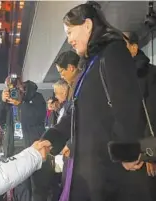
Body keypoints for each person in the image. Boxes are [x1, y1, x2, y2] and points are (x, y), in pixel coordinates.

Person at [42, 2, 152, 201]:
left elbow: (127, 105)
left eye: (69, 32)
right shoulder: (90, 64)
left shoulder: (113, 53)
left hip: (107, 172)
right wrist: (53, 137)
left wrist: (126, 153)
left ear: (87, 25)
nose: (69, 40)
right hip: (89, 168)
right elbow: (75, 113)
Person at [0, 75, 49, 201]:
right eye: (10, 88)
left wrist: (21, 104)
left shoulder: (36, 97)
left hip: (33, 147)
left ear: (22, 85)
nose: (14, 91)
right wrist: (1, 101)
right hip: (14, 149)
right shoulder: (7, 102)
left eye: (16, 87)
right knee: (21, 187)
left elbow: (38, 117)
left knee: (37, 186)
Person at [123, 31, 156, 177]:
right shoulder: (116, 77)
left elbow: (152, 114)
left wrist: (150, 153)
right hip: (122, 154)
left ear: (134, 48)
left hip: (143, 155)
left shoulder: (149, 74)